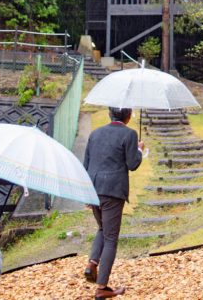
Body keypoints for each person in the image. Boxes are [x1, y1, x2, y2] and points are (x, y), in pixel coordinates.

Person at [82, 107, 144, 299]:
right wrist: (139, 150)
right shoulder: (129, 134)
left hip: (94, 189)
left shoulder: (95, 133)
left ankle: (92, 264)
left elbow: (86, 165)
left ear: (110, 114)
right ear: (128, 116)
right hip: (113, 191)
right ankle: (101, 287)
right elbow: (133, 164)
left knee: (103, 228)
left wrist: (86, 193)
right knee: (110, 238)